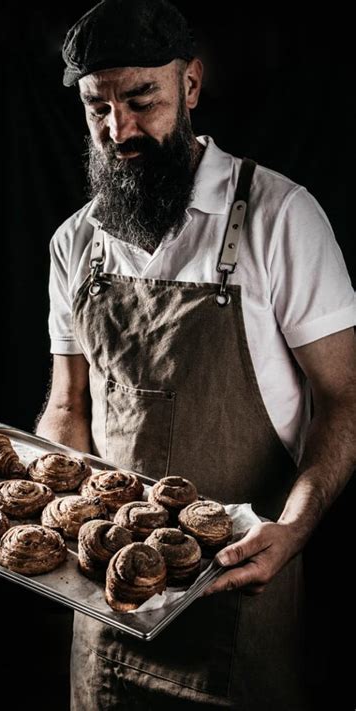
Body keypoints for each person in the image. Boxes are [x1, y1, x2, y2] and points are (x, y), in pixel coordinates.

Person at [35, 1, 356, 709]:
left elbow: (343, 400)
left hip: (241, 588)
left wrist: (293, 529)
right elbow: (68, 406)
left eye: (140, 99)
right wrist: (44, 514)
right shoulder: (75, 243)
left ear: (191, 85)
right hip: (109, 601)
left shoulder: (280, 217)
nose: (118, 130)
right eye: (97, 107)